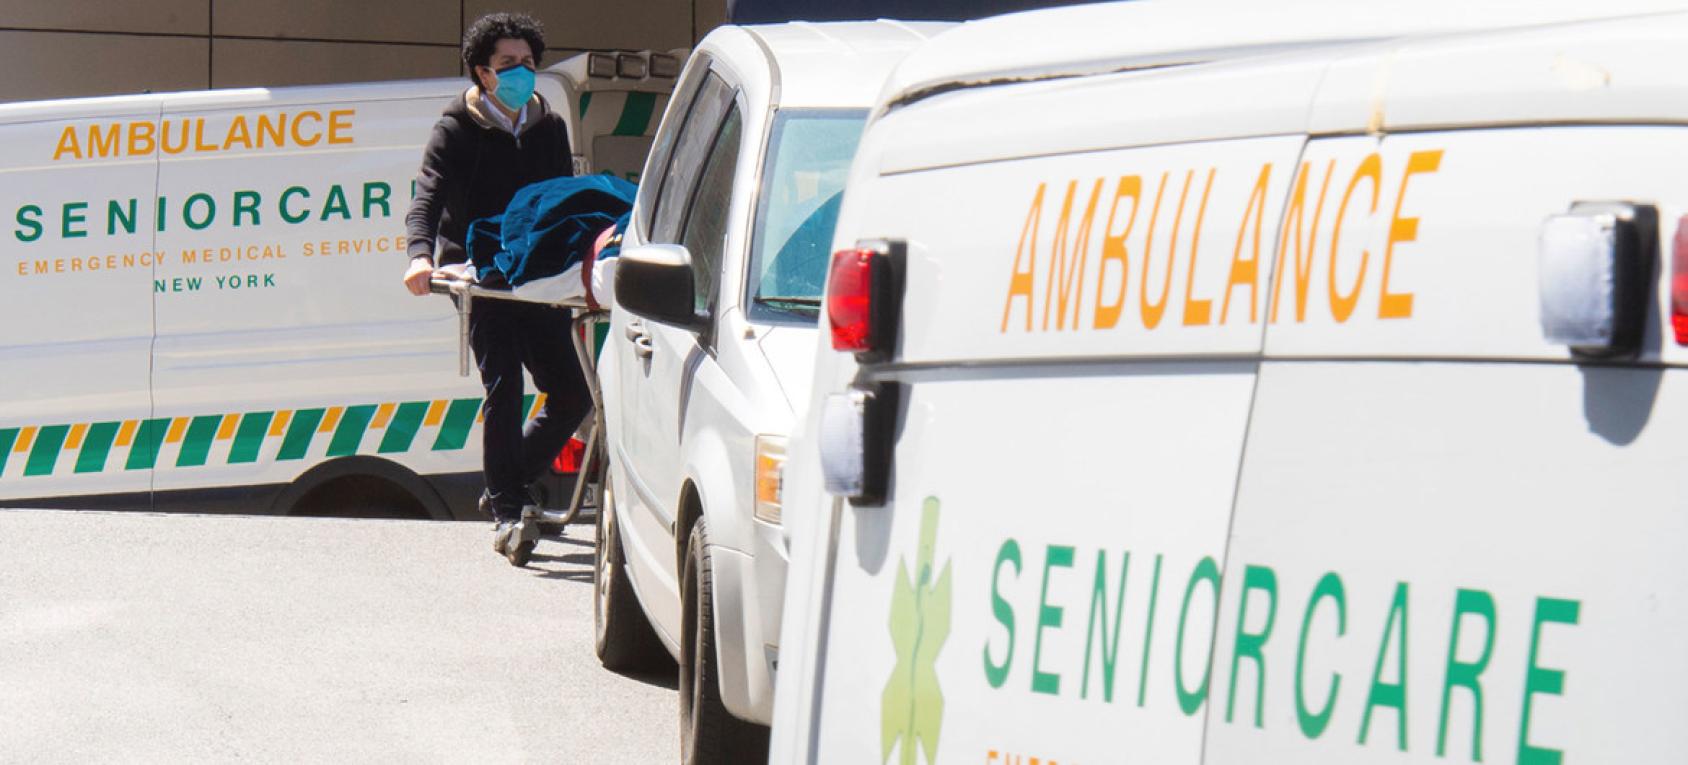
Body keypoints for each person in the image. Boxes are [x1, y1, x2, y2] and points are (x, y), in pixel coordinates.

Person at [402, 12, 588, 560]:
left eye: (528, 62)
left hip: (535, 275)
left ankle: (506, 483)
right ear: (482, 73)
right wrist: (420, 257)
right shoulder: (455, 129)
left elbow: (563, 199)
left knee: (572, 392)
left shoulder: (549, 127)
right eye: (508, 64)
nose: (521, 72)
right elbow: (427, 198)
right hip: (482, 280)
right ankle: (509, 509)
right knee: (503, 389)